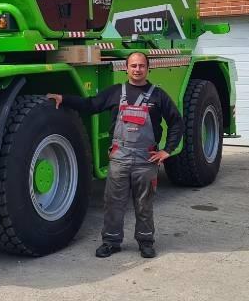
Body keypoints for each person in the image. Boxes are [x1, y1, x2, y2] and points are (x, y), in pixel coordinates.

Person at [47, 51, 183, 258]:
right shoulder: (115, 92)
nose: (137, 69)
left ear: (148, 69)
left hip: (146, 160)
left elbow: (176, 122)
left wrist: (167, 150)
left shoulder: (158, 95)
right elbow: (90, 104)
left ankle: (146, 242)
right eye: (133, 66)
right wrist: (64, 99)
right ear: (126, 68)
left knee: (144, 204)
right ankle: (111, 242)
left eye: (141, 66)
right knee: (113, 203)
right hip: (120, 158)